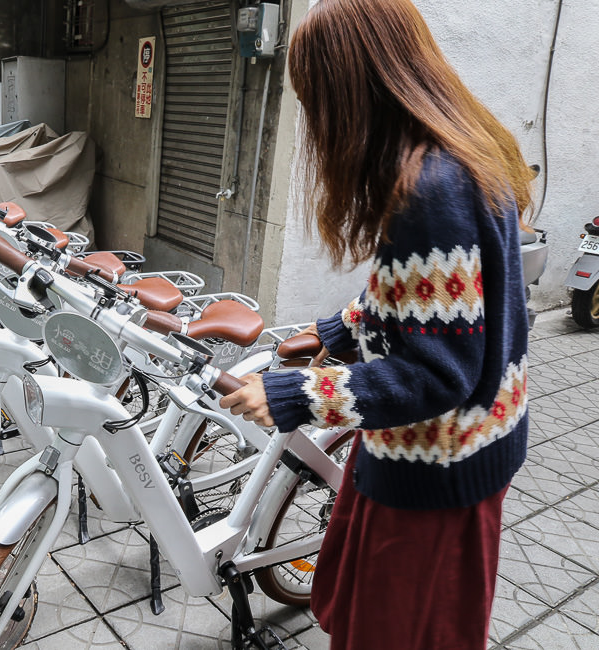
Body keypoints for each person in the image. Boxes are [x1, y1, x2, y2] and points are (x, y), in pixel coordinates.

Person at [219, 0, 533, 648]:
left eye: (316, 99)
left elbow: (436, 372)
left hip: (437, 468)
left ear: (354, 91)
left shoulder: (428, 190)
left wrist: (292, 397)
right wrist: (334, 331)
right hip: (467, 444)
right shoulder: (465, 152)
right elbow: (432, 303)